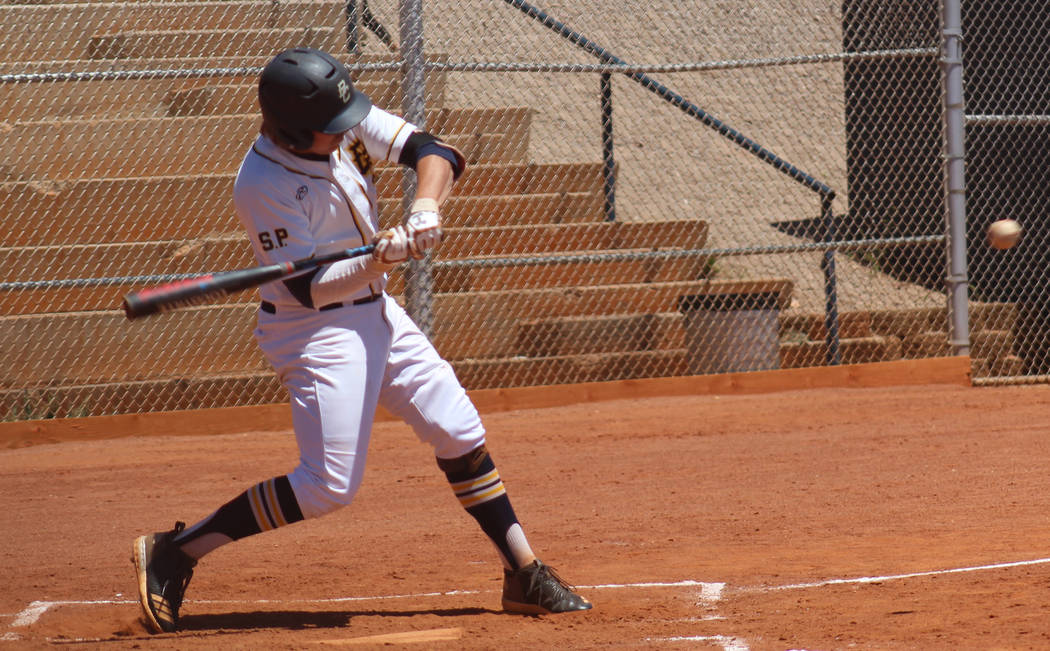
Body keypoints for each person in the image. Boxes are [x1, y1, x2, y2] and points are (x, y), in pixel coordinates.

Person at [130, 46, 591, 634]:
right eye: (332, 130)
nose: (348, 134)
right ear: (295, 131)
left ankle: (523, 572)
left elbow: (435, 151)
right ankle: (178, 550)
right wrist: (383, 259)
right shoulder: (262, 184)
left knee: (458, 430)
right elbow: (310, 291)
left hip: (377, 312)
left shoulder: (337, 120)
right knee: (328, 487)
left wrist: (425, 207)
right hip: (314, 331)